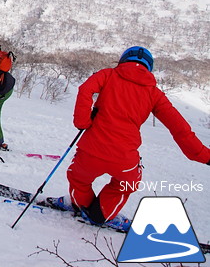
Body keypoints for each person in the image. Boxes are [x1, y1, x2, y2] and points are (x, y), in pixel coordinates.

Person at [50, 46, 210, 227]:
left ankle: (83, 206)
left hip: (90, 150)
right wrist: (205, 156)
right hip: (124, 159)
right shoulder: (154, 94)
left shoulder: (108, 74)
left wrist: (83, 122)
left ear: (123, 60)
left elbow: (85, 89)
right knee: (124, 185)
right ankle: (99, 214)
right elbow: (180, 129)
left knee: (78, 178)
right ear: (149, 67)